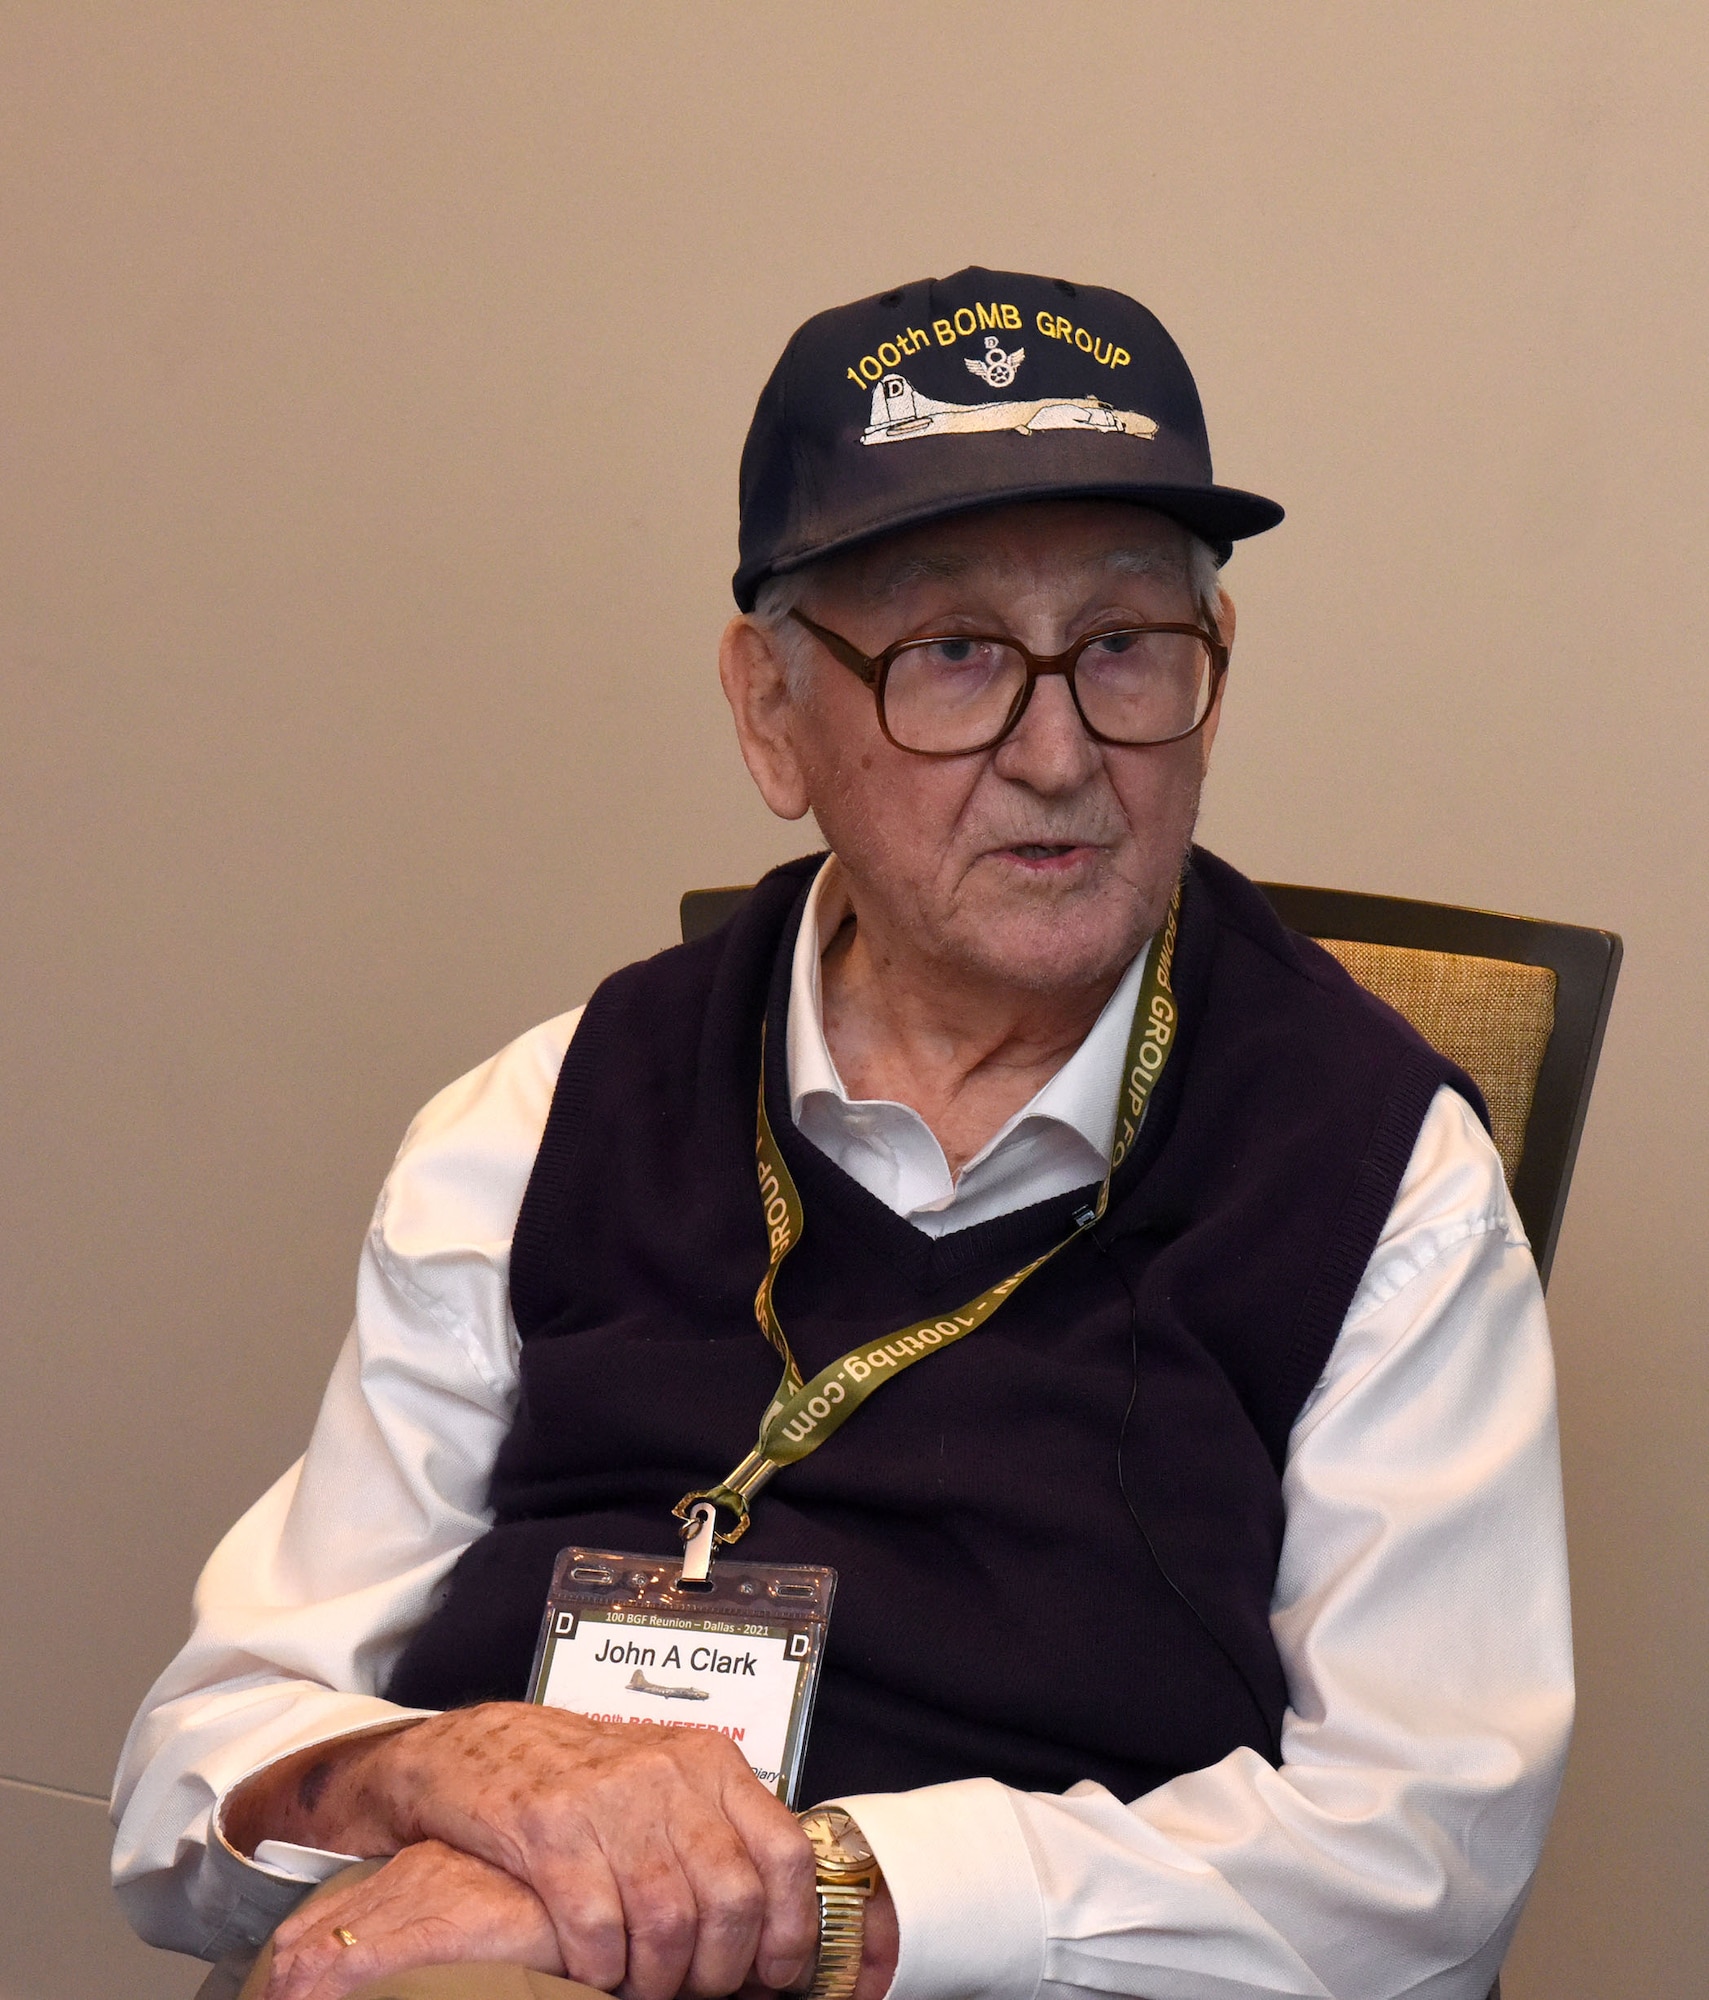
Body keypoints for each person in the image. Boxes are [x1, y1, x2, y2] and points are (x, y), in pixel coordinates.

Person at [112, 268, 1571, 2000]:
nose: (1057, 753)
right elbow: (188, 1783)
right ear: (767, 710)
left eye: (1122, 648)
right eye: (951, 656)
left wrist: (812, 1895)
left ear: (1216, 671)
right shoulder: (544, 1112)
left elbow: (1419, 1866)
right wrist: (423, 1773)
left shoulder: (1374, 1177)